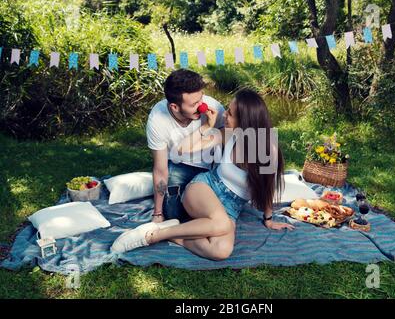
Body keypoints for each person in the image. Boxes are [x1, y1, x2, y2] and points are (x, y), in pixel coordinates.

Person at [112, 89, 294, 260]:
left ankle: (176, 230)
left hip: (231, 206)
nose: (224, 115)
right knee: (221, 224)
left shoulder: (268, 150)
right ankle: (152, 236)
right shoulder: (229, 135)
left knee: (221, 251)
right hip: (205, 188)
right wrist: (207, 126)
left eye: (230, 114)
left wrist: (268, 219)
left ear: (245, 121)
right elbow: (183, 148)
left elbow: (267, 186)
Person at [146, 69, 225, 224]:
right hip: (179, 165)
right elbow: (160, 169)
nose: (202, 107)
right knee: (174, 215)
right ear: (175, 107)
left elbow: (227, 134)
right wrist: (157, 212)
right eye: (194, 104)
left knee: (215, 212)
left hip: (211, 167)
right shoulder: (157, 120)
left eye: (201, 98)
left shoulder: (213, 106)